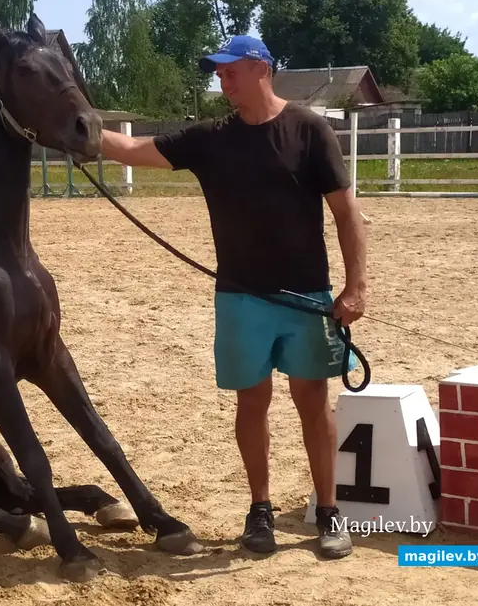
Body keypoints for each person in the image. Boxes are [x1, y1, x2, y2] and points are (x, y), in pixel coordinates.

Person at [99, 35, 367, 559]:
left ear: (261, 68)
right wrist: (72, 125)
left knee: (313, 402)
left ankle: (330, 512)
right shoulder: (210, 139)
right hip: (241, 298)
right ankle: (260, 510)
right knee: (253, 402)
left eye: (231, 72)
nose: (222, 81)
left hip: (306, 298)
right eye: (219, 73)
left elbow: (347, 214)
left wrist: (355, 286)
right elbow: (130, 150)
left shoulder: (309, 130)